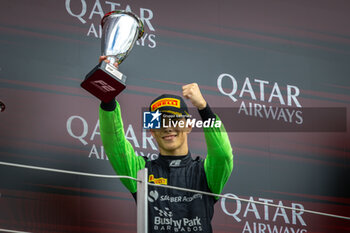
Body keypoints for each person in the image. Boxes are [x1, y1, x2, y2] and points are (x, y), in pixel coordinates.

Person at [98, 56, 233, 233]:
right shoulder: (141, 171)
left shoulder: (205, 172)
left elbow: (223, 155)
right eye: (159, 122)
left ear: (189, 126)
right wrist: (108, 97)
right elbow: (115, 144)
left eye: (174, 120)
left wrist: (203, 108)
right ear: (152, 131)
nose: (168, 127)